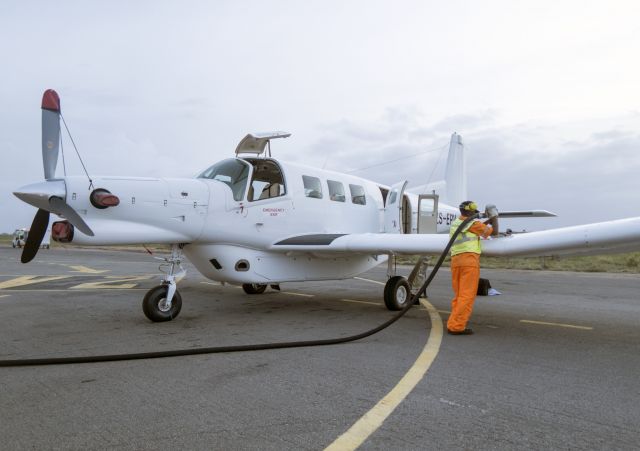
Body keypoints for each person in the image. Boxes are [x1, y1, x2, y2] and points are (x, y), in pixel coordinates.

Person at [447, 200, 493, 335]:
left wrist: (487, 221)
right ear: (470, 211)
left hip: (456, 262)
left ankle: (453, 323)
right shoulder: (473, 224)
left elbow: (477, 228)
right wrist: (494, 217)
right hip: (469, 262)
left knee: (459, 296)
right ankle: (457, 327)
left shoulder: (457, 223)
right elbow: (491, 232)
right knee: (467, 296)